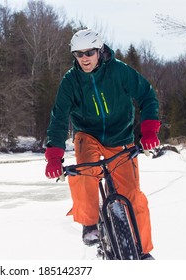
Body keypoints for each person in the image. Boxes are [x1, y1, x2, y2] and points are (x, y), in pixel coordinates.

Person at [44, 29, 160, 260]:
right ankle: (90, 224)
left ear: (100, 51)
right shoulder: (70, 81)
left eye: (89, 52)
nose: (84, 58)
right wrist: (54, 156)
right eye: (78, 54)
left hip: (122, 137)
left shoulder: (119, 71)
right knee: (86, 171)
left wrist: (148, 132)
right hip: (88, 135)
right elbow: (59, 118)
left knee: (133, 198)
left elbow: (147, 95)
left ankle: (143, 251)